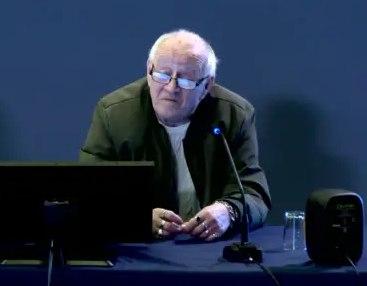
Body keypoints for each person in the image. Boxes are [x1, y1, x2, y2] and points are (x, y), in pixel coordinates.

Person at [79, 29, 271, 241]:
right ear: (149, 69)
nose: (171, 88)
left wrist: (228, 211)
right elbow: (88, 194)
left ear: (207, 85)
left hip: (210, 248)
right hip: (140, 249)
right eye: (162, 75)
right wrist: (136, 217)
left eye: (185, 81)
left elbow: (254, 194)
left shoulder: (235, 115)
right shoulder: (113, 113)